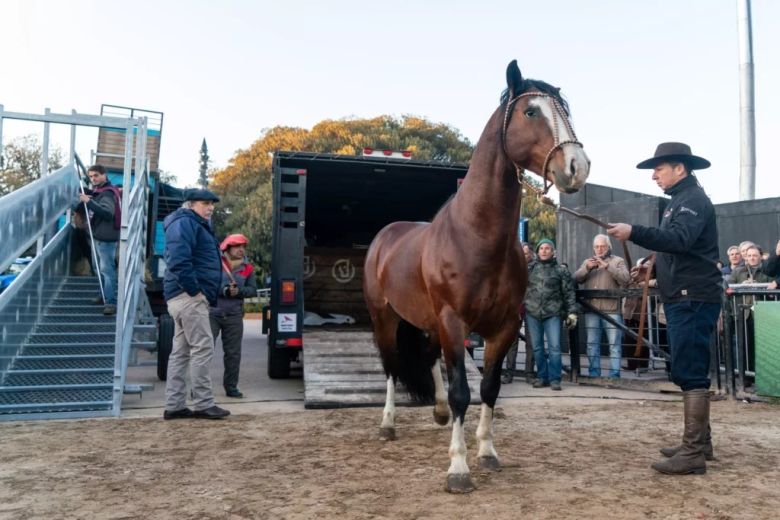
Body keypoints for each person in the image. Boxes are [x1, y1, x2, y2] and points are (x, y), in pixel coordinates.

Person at [608, 142, 721, 475]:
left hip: (692, 297)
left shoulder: (692, 201)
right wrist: (653, 267)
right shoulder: (681, 202)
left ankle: (693, 454)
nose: (654, 175)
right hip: (684, 296)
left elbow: (680, 240)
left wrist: (634, 232)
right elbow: (679, 246)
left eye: (659, 169)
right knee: (689, 367)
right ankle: (700, 443)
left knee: (690, 369)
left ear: (680, 169)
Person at [162, 188, 230, 420]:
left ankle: (175, 405)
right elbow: (179, 260)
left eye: (212, 203)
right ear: (190, 205)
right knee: (203, 347)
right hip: (189, 297)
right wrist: (195, 291)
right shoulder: (185, 223)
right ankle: (203, 403)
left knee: (180, 352)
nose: (210, 207)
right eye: (205, 203)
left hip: (182, 297)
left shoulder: (191, 223)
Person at [573, 234, 630, 379]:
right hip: (591, 310)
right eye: (597, 246)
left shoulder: (618, 261)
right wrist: (587, 268)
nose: (599, 249)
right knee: (592, 344)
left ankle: (615, 375)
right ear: (593, 248)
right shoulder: (588, 261)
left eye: (602, 246)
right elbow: (575, 278)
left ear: (609, 247)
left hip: (612, 310)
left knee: (614, 344)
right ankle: (594, 374)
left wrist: (608, 267)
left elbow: (626, 280)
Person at [523, 239, 577, 391]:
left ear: (553, 251)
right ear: (538, 251)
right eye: (542, 248)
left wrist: (572, 312)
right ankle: (542, 377)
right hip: (532, 312)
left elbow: (569, 293)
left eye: (548, 248)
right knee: (537, 348)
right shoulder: (529, 268)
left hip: (553, 313)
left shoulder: (561, 271)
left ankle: (555, 379)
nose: (544, 251)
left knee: (554, 347)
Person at [210, 233, 258, 398]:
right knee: (204, 351)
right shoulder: (215, 263)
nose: (241, 250)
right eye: (237, 247)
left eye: (243, 247)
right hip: (212, 313)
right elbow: (207, 284)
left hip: (234, 315)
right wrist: (223, 290)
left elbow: (252, 290)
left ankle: (231, 387)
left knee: (233, 353)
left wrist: (239, 292)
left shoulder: (248, 268)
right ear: (227, 248)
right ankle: (199, 388)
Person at [78, 165, 121, 315]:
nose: (93, 179)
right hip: (98, 236)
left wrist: (88, 202)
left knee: (107, 270)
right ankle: (103, 294)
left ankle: (110, 302)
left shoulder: (108, 193)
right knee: (98, 268)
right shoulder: (99, 191)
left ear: (104, 175)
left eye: (96, 175)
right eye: (90, 176)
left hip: (106, 238)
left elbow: (107, 213)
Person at [502, 242, 535, 384]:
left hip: (532, 308)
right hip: (514, 308)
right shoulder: (509, 268)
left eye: (526, 254)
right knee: (511, 342)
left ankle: (529, 373)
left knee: (531, 342)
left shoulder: (537, 267)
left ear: (531, 255)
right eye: (520, 253)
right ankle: (509, 373)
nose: (523, 256)